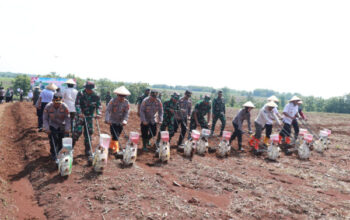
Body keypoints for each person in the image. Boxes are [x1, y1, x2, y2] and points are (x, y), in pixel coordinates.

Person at [73, 81, 102, 157]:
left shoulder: (96, 95)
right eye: (87, 89)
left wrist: (98, 113)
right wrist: (79, 113)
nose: (89, 90)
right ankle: (71, 148)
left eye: (90, 89)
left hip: (89, 116)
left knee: (89, 133)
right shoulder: (81, 93)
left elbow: (99, 105)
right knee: (77, 132)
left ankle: (87, 150)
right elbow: (77, 104)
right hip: (80, 116)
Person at [43, 93, 70, 161]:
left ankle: (60, 153)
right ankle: (53, 154)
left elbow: (67, 118)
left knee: (61, 141)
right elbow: (45, 118)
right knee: (53, 140)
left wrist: (67, 128)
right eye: (56, 103)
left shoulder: (65, 107)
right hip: (52, 124)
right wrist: (47, 129)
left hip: (62, 124)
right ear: (52, 100)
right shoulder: (48, 107)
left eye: (59, 103)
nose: (57, 104)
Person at [105, 86, 130, 154]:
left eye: (123, 96)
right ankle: (117, 149)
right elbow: (108, 110)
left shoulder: (126, 103)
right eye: (120, 96)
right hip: (112, 121)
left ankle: (111, 147)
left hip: (120, 122)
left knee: (117, 135)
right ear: (117, 95)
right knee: (115, 135)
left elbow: (127, 112)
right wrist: (107, 120)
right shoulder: (112, 101)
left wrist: (125, 120)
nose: (121, 97)